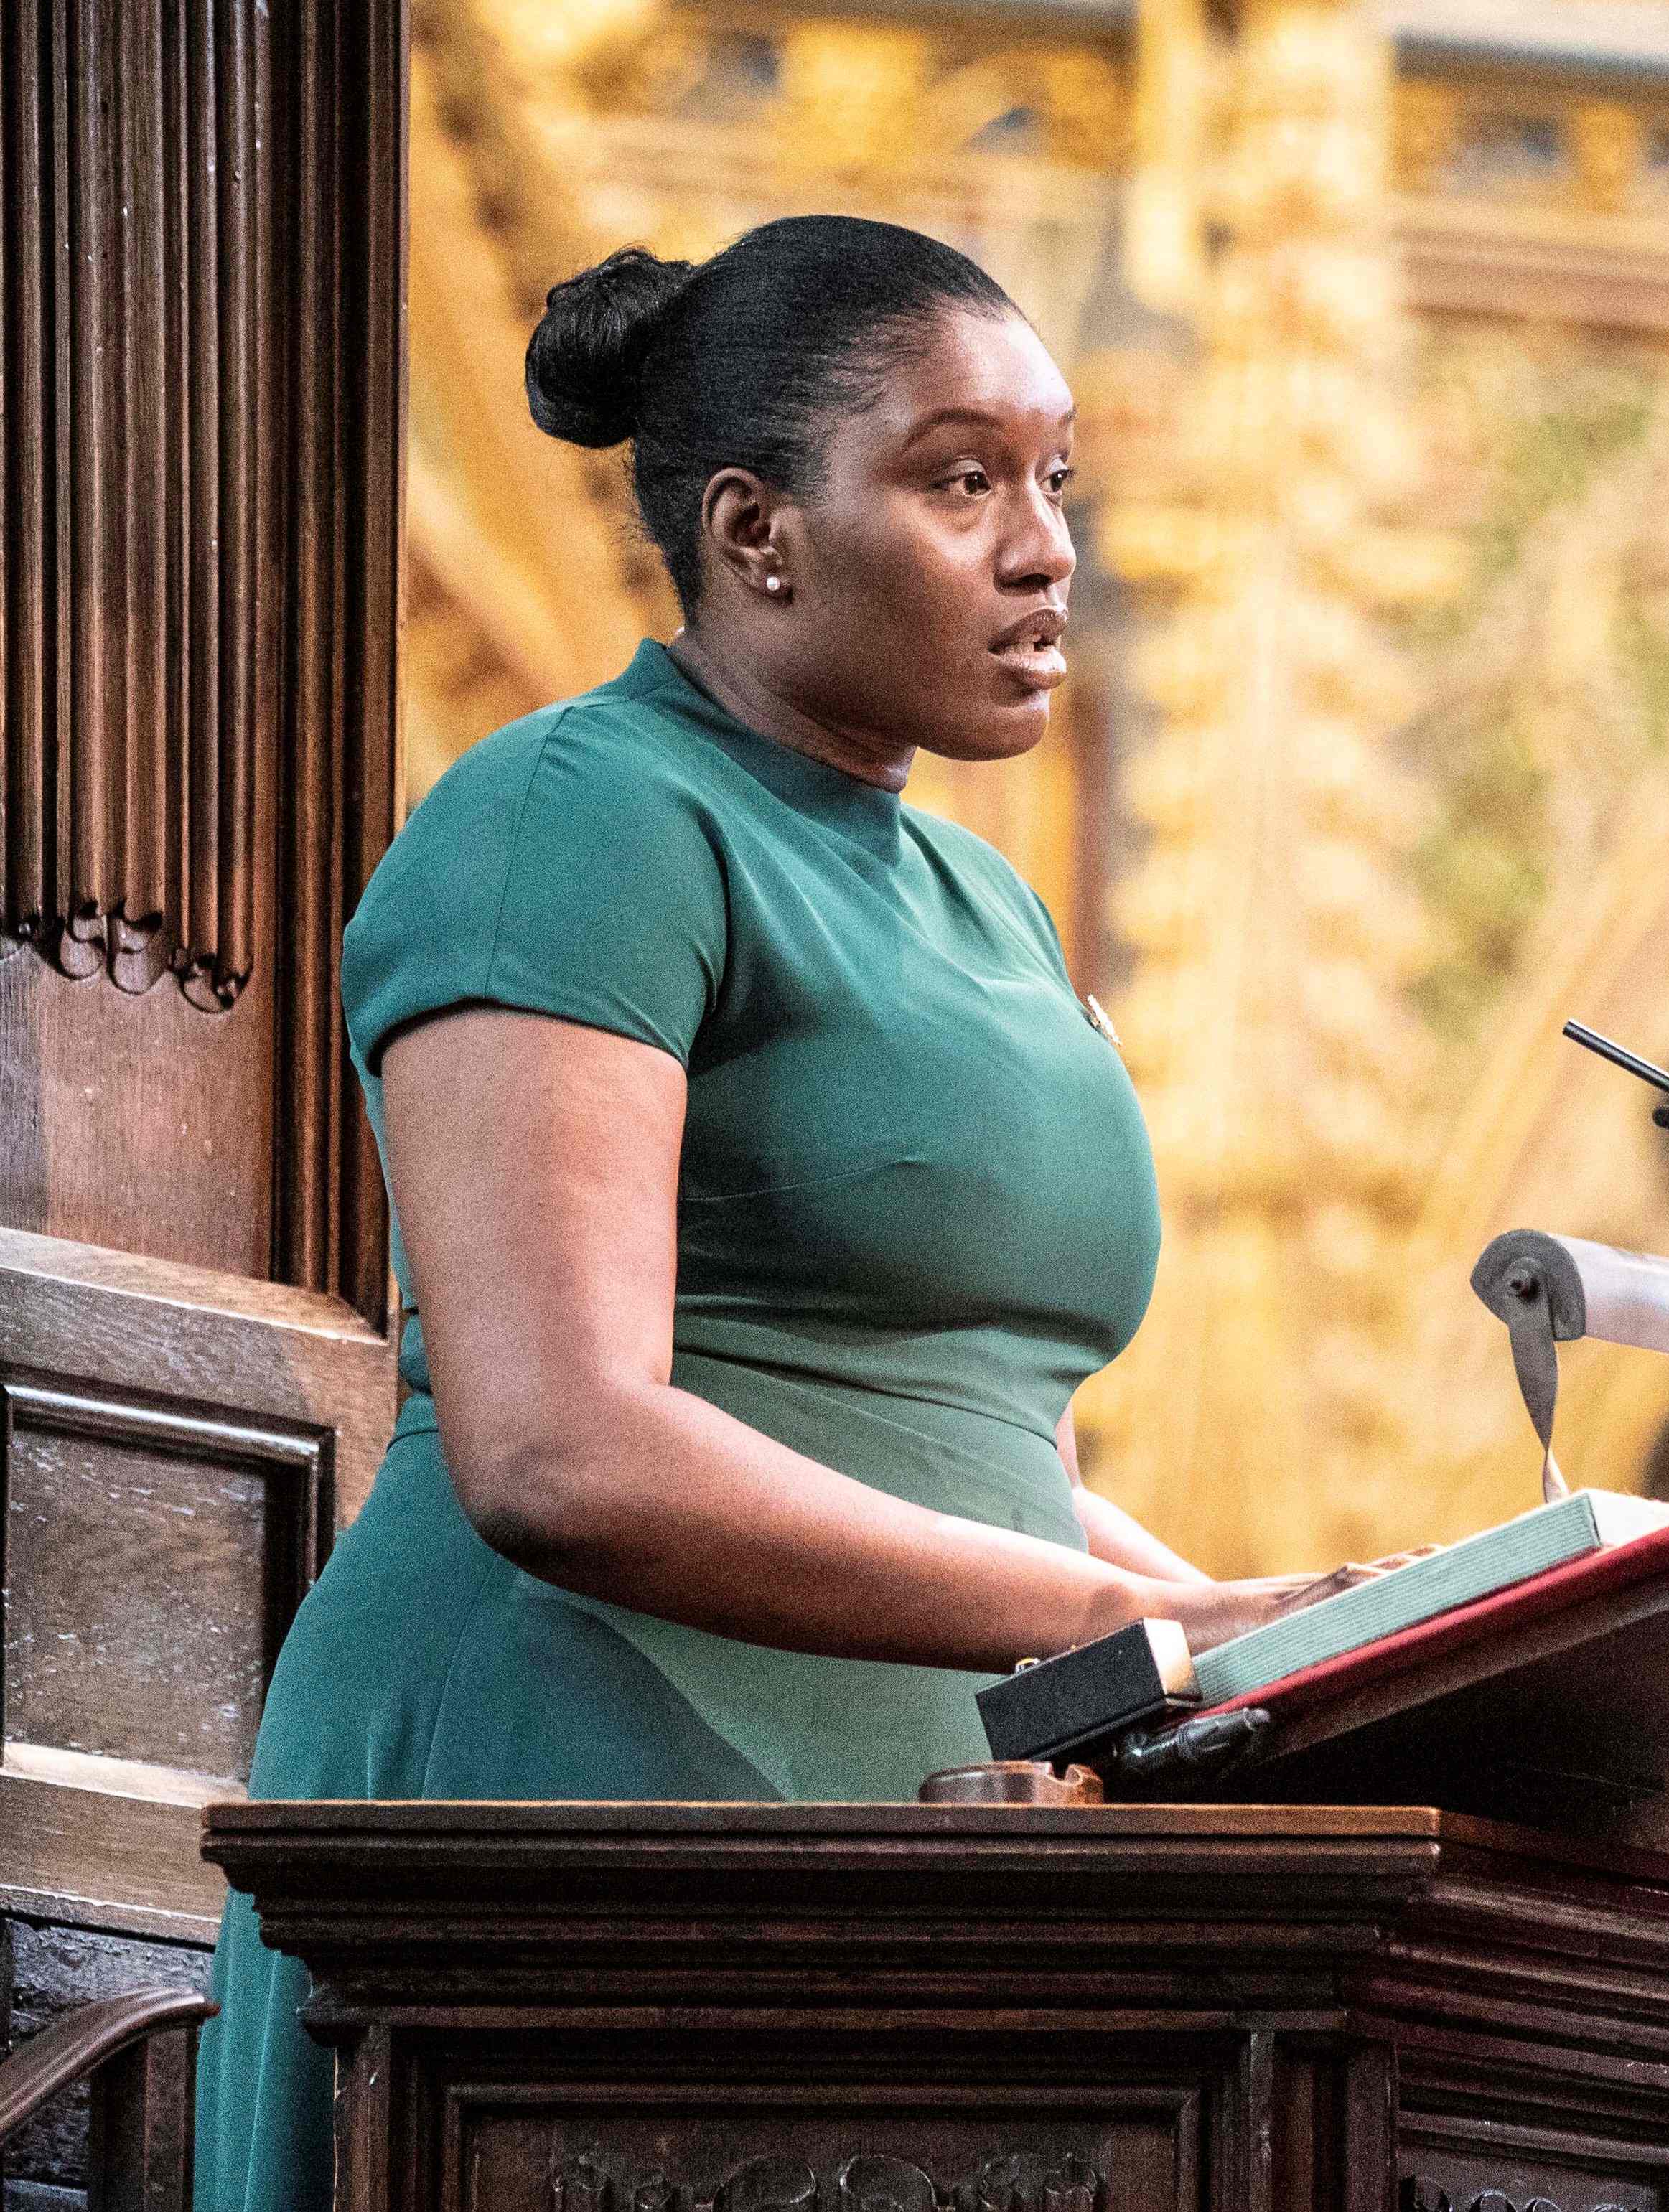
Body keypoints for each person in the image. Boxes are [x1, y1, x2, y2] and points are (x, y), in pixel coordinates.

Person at [195, 215, 1360, 2212]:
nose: (1046, 547)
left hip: (917, 1834)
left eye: (1055, 478)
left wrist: (1287, 1641)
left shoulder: (985, 902)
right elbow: (559, 1446)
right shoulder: (578, 813)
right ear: (756, 534)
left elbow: (980, 1439)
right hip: (566, 1804)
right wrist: (1130, 1625)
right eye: (958, 477)